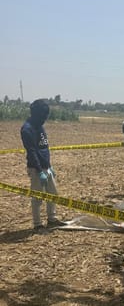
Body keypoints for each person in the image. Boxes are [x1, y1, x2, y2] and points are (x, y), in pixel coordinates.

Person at [20, 99, 65, 231]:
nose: (45, 119)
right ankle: (37, 224)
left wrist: (49, 166)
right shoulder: (27, 129)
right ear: (36, 114)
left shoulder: (40, 126)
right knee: (37, 198)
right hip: (36, 168)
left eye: (46, 116)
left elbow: (44, 148)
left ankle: (52, 219)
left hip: (46, 167)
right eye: (43, 116)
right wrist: (40, 171)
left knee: (53, 194)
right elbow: (32, 152)